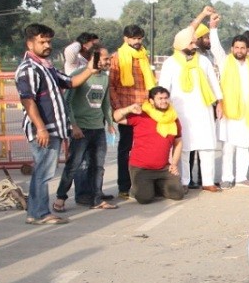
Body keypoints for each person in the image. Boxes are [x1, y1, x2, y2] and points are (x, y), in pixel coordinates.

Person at [16, 23, 104, 225]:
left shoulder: (46, 67)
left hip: (52, 129)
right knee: (43, 173)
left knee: (43, 172)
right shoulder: (29, 69)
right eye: (42, 42)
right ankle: (40, 213)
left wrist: (89, 70)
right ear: (30, 44)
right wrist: (40, 128)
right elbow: (27, 100)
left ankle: (36, 212)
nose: (47, 45)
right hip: (43, 130)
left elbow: (70, 82)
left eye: (49, 41)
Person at [159, 25, 223, 192]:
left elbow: (214, 82)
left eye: (195, 42)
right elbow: (163, 89)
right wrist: (163, 110)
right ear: (181, 44)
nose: (195, 46)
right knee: (184, 148)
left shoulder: (203, 61)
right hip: (181, 112)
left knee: (207, 147)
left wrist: (220, 102)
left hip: (204, 110)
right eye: (191, 43)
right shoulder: (170, 63)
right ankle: (184, 181)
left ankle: (208, 181)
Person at [54, 45, 115, 211]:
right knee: (74, 164)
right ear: (94, 58)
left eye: (108, 58)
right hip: (81, 129)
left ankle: (96, 199)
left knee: (98, 166)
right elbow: (67, 102)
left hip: (98, 129)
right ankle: (60, 198)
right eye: (105, 58)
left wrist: (110, 123)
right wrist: (73, 125)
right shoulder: (78, 75)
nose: (108, 61)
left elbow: (105, 103)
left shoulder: (104, 78)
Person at [112, 87, 185, 204]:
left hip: (163, 168)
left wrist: (174, 164)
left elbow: (178, 142)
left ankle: (155, 185)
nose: (164, 101)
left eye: (166, 98)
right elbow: (116, 118)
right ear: (151, 101)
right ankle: (140, 188)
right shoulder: (142, 114)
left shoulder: (173, 118)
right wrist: (129, 108)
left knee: (178, 194)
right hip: (141, 168)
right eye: (160, 98)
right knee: (144, 198)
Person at [107, 24, 155, 200]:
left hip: (145, 108)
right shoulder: (117, 57)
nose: (137, 41)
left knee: (144, 147)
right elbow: (111, 85)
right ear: (125, 39)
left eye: (139, 38)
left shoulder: (143, 56)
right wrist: (118, 109)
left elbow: (150, 83)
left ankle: (144, 185)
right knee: (126, 149)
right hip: (127, 109)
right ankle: (124, 186)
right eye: (134, 38)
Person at [218, 34, 249, 187]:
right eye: (237, 47)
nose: (239, 50)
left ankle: (241, 178)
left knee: (245, 145)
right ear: (232, 48)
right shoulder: (225, 62)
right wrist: (213, 29)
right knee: (229, 146)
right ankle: (227, 178)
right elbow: (216, 49)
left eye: (242, 48)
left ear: (247, 49)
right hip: (230, 111)